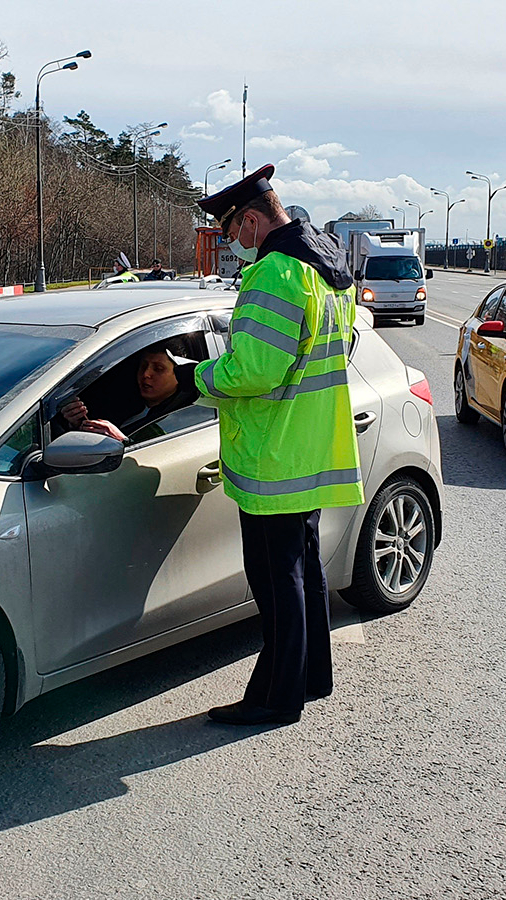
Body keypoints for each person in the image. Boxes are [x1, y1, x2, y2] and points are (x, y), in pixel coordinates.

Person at [191, 164, 363, 727]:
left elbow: (254, 371)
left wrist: (194, 377)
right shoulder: (328, 269)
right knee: (304, 570)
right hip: (311, 448)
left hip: (273, 454)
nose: (231, 245)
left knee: (275, 579)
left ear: (251, 219)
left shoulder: (274, 274)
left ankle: (275, 697)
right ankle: (313, 675)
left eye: (231, 232)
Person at [59, 342, 198, 442]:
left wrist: (122, 441)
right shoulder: (122, 404)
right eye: (143, 366)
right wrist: (80, 425)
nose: (146, 374)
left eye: (158, 369)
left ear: (180, 374)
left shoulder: (184, 419)